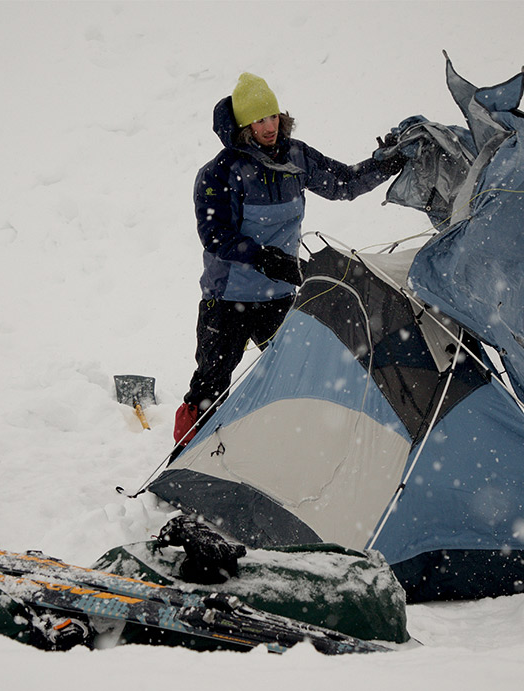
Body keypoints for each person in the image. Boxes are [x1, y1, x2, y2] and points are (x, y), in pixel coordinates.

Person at [173, 72, 406, 450]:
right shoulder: (221, 172)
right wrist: (264, 258)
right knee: (209, 389)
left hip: (279, 296)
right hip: (227, 297)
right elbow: (215, 236)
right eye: (260, 120)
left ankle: (287, 453)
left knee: (300, 378)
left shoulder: (295, 156)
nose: (270, 126)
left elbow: (343, 183)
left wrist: (385, 164)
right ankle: (184, 457)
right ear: (245, 125)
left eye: (274, 117)